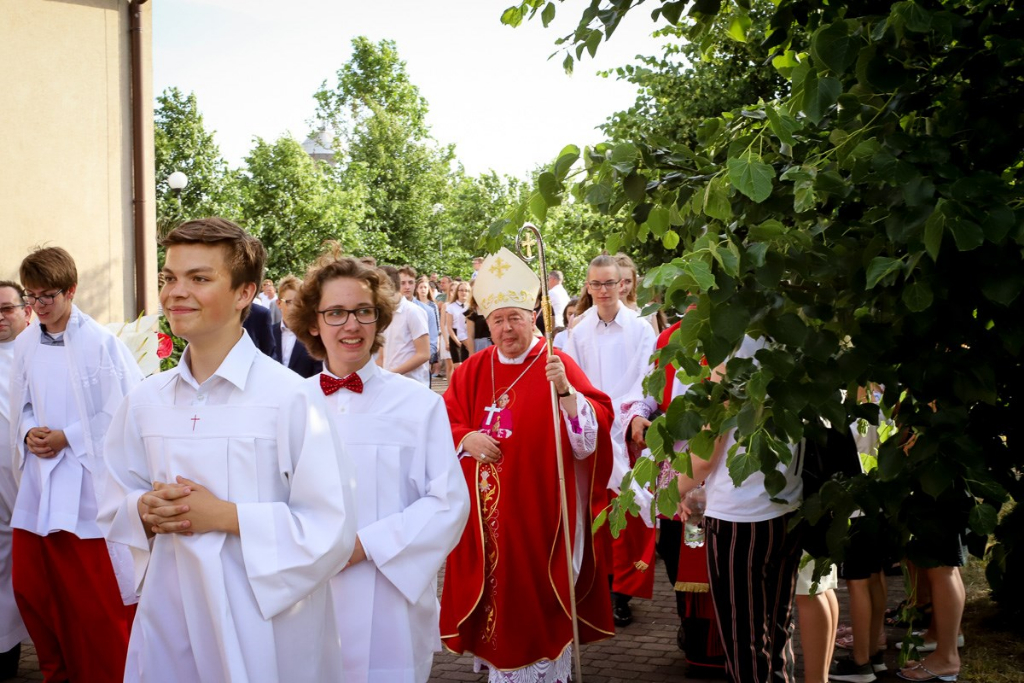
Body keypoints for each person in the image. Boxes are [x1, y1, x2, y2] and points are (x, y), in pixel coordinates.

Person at [98, 217, 358, 683]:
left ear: (245, 294)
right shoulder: (145, 400)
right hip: (170, 614)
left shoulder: (289, 398)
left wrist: (226, 516)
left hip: (262, 622)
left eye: (199, 279)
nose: (176, 293)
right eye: (169, 278)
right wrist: (143, 509)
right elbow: (113, 495)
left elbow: (331, 527)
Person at [290, 249, 470, 682]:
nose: (351, 325)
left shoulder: (419, 405)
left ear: (379, 320)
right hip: (306, 595)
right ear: (314, 323)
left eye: (363, 311)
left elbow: (447, 501)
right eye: (335, 312)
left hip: (389, 597)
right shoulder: (288, 404)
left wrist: (365, 545)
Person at [440, 247, 615, 682]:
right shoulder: (472, 370)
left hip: (542, 512)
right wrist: (465, 438)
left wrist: (567, 394)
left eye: (514, 318)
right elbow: (444, 421)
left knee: (536, 600)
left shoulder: (556, 363)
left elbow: (591, 437)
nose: (505, 329)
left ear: (534, 316)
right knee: (496, 601)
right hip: (485, 521)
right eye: (497, 320)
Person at [9, 247, 142, 683]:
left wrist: (69, 436)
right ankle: (58, 670)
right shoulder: (27, 342)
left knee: (92, 597)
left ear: (71, 290)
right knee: (35, 589)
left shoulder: (101, 343)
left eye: (46, 296)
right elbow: (23, 402)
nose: (38, 306)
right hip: (41, 483)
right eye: (31, 296)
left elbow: (123, 409)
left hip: (87, 484)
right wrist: (28, 430)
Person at [677, 336, 804, 683]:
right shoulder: (789, 333)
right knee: (778, 629)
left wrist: (673, 490)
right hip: (787, 501)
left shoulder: (730, 345)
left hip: (741, 514)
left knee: (744, 639)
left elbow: (706, 455)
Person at [564, 254, 658, 627]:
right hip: (592, 427)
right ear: (587, 286)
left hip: (628, 429)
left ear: (622, 284)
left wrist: (633, 414)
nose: (602, 291)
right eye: (595, 284)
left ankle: (623, 594)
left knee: (629, 512)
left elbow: (648, 380)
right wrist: (588, 415)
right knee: (595, 512)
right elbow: (572, 378)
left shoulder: (641, 328)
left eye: (609, 283)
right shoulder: (579, 330)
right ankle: (600, 587)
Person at [0, 282, 31, 678]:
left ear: (26, 311)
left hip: (33, 478)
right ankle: (6, 650)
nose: (0, 317)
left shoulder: (39, 352)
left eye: (7, 308)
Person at [379, 266, 431, 386]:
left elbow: (424, 354)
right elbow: (382, 355)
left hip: (412, 385)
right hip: (390, 384)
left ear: (388, 286)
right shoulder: (384, 314)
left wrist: (391, 374)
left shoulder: (413, 311)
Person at [272, 275, 322, 378]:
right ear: (279, 303)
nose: (294, 307)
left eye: (298, 302)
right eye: (289, 302)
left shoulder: (314, 334)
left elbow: (319, 371)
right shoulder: (268, 333)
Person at [414, 276, 441, 377]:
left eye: (425, 287)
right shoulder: (413, 304)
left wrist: (438, 341)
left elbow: (437, 324)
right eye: (420, 287)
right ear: (417, 289)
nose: (423, 290)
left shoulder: (432, 305)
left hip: (430, 337)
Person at [447, 281, 471, 368]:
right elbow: (449, 327)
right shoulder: (451, 307)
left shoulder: (470, 306)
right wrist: (458, 341)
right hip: (455, 335)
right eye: (461, 290)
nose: (463, 292)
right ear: (457, 292)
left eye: (466, 290)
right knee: (459, 367)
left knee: (469, 364)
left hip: (468, 335)